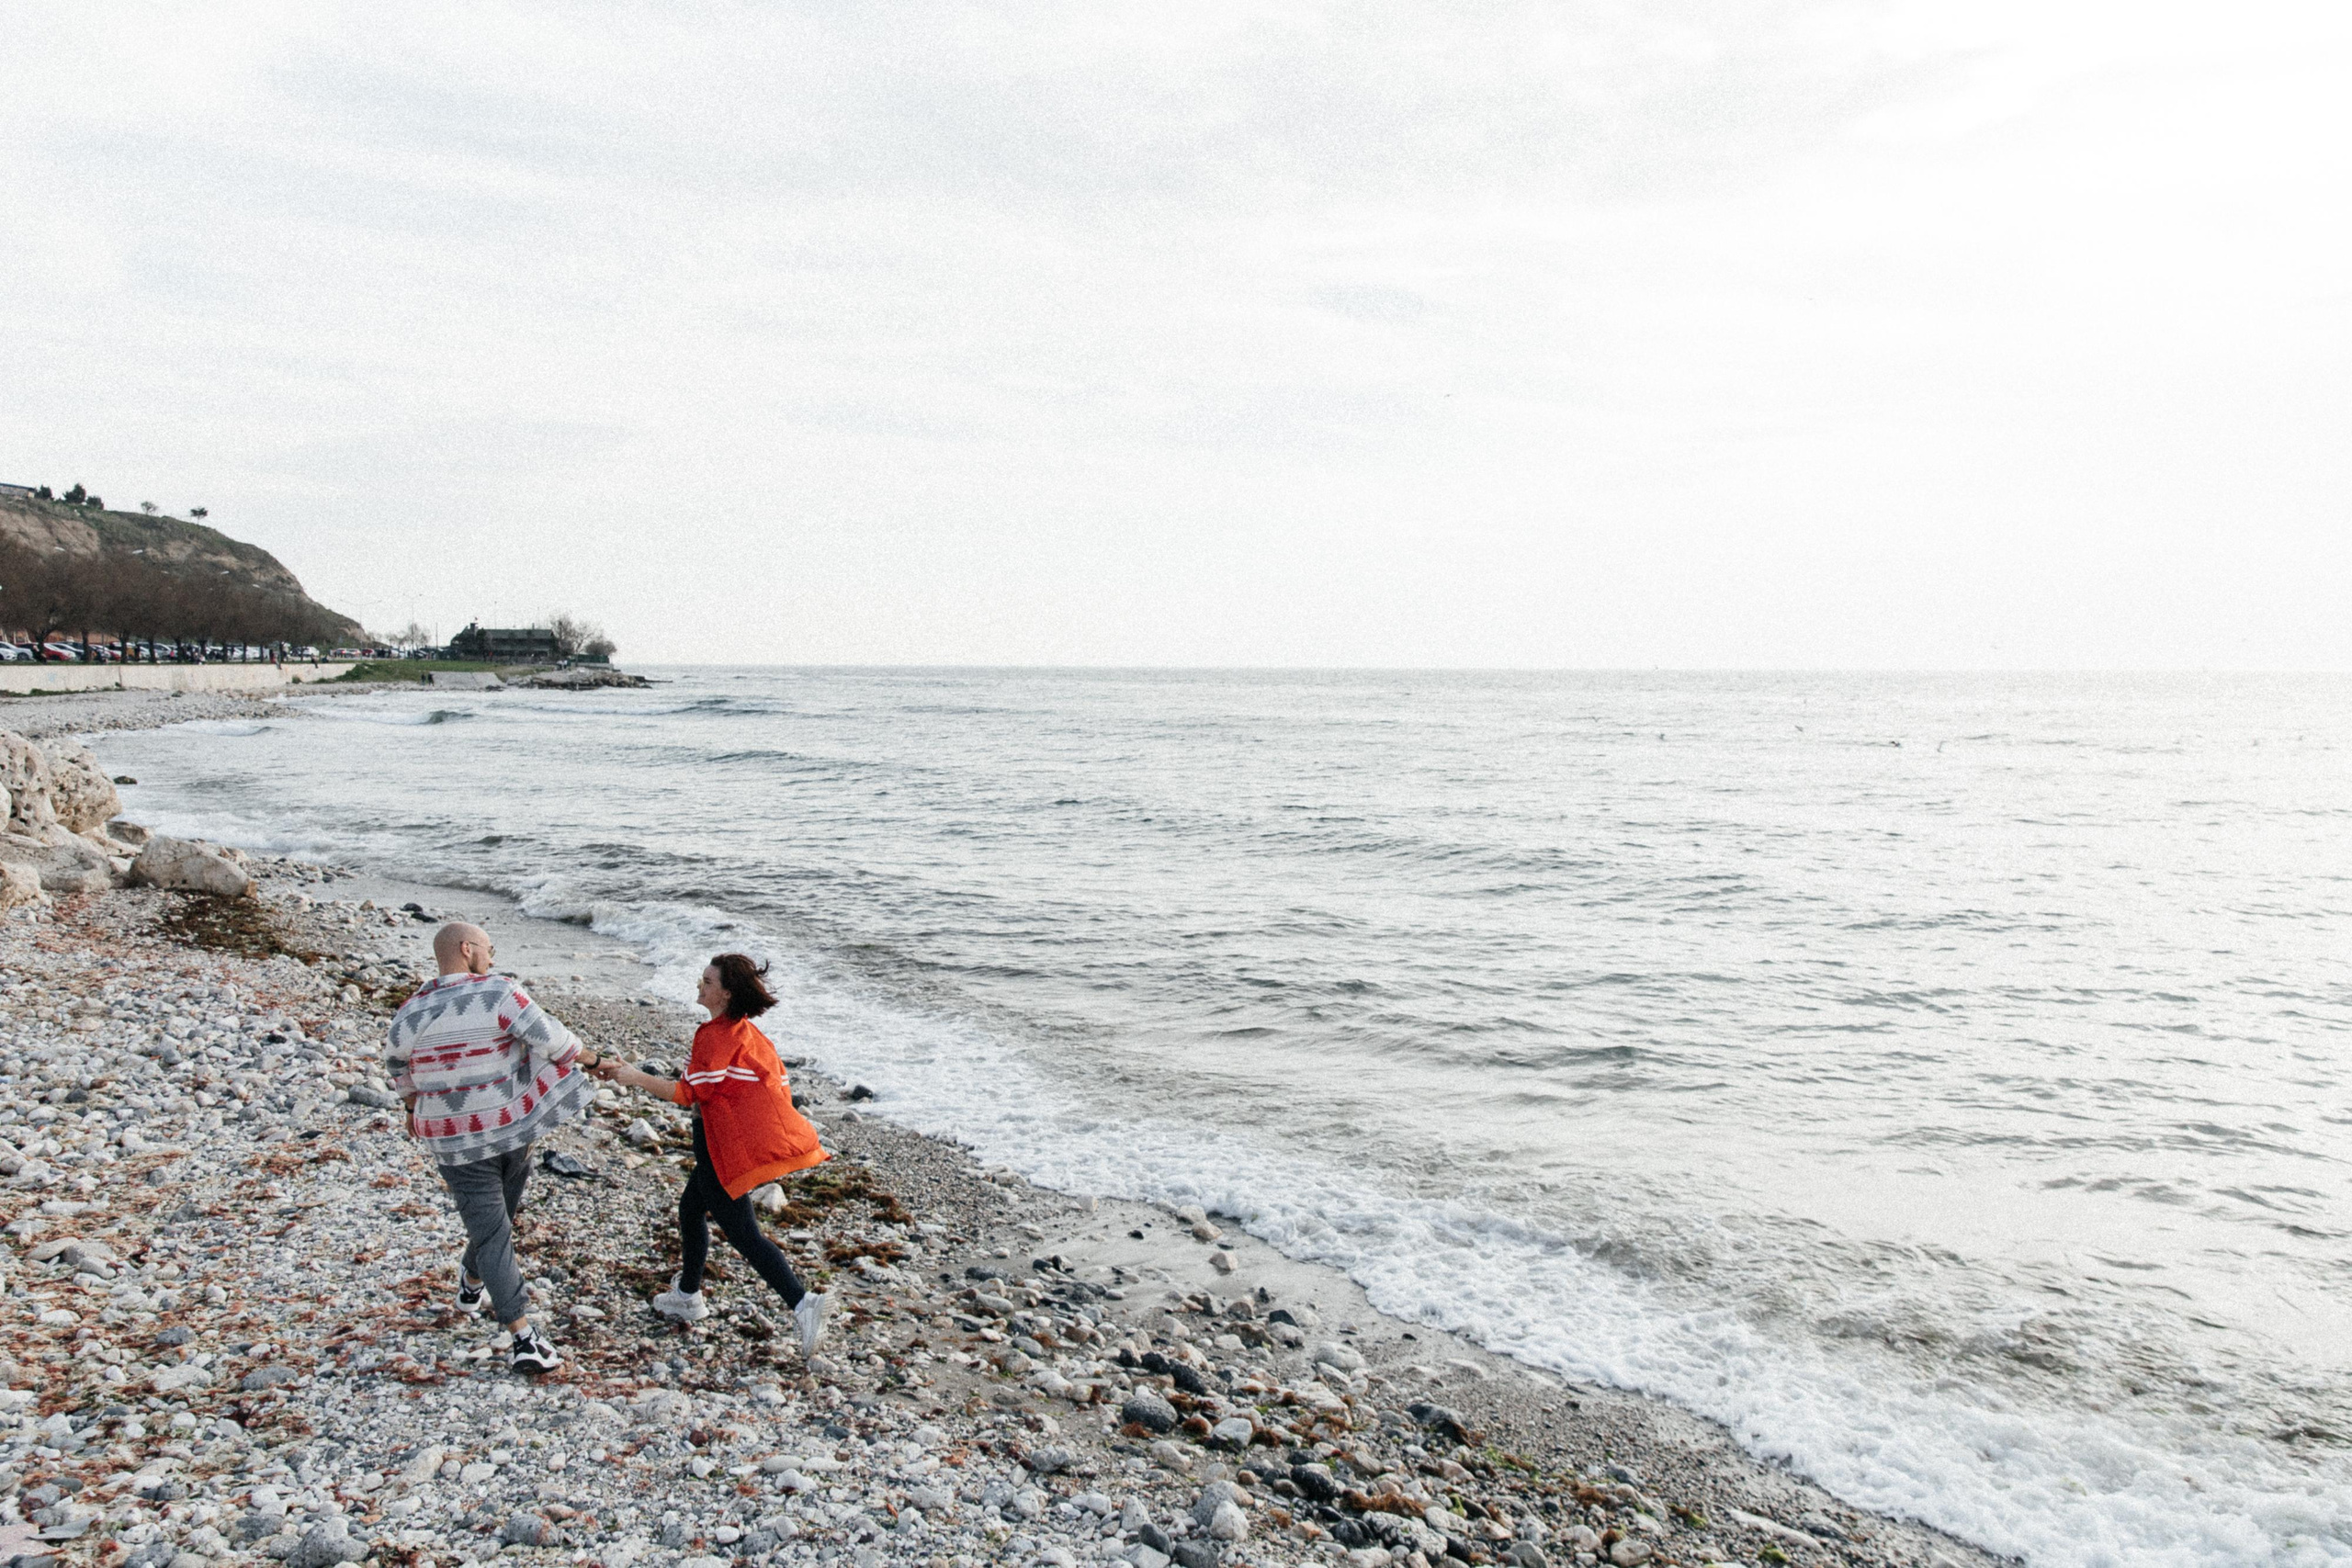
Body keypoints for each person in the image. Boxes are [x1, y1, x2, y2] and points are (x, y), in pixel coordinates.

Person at [386, 921, 602, 1374]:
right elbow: (553, 1039)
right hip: (502, 1129)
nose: (493, 956)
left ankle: (472, 1279)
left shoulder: (408, 1012)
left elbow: (397, 1067)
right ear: (467, 949)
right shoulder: (499, 991)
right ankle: (524, 1338)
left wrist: (412, 1107)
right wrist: (596, 1061)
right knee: (493, 1230)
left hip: (464, 1136)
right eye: (488, 947)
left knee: (494, 1220)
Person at [594, 953, 831, 1355]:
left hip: (723, 1147)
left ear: (726, 993)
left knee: (744, 1234)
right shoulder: (745, 1032)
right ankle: (688, 1295)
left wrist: (634, 1076)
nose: (699, 986)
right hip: (719, 1140)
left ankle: (802, 1303)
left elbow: (685, 1094)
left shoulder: (715, 1035)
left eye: (707, 982)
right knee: (690, 1210)